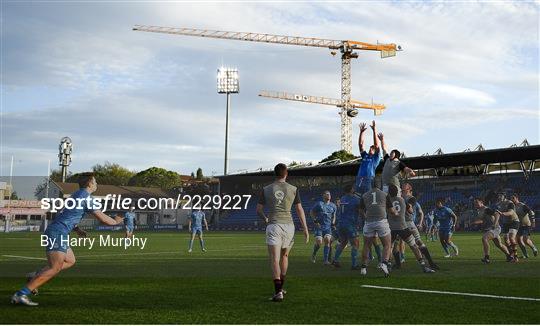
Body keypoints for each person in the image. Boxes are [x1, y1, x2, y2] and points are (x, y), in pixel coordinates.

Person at [11, 173, 124, 306]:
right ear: (89, 184)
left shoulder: (76, 195)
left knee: (70, 261)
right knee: (55, 267)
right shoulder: (87, 198)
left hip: (59, 231)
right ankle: (21, 294)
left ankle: (35, 276)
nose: (96, 184)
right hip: (58, 232)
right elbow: (105, 220)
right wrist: (116, 221)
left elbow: (66, 214)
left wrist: (76, 229)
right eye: (95, 182)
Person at [256, 163, 309, 302]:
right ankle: (281, 288)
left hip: (274, 225)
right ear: (286, 174)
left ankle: (278, 291)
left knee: (274, 259)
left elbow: (258, 209)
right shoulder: (293, 189)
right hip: (289, 226)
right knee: (284, 256)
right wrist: (305, 229)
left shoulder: (266, 189)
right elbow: (299, 209)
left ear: (275, 174)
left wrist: (265, 218)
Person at [387, 184, 434, 273]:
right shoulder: (402, 200)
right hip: (403, 226)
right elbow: (411, 211)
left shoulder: (387, 200)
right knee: (414, 245)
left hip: (392, 227)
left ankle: (388, 265)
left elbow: (388, 211)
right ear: (398, 192)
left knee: (390, 246)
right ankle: (423, 266)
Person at [358, 180, 393, 277]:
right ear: (380, 186)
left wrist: (365, 217)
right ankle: (384, 263)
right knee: (387, 244)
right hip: (381, 221)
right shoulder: (385, 194)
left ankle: (363, 267)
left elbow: (360, 210)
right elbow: (391, 210)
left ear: (371, 186)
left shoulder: (364, 195)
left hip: (369, 222)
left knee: (366, 245)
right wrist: (395, 213)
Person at [400, 184, 439, 270]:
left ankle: (430, 262)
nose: (402, 190)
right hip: (400, 223)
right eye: (402, 189)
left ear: (409, 190)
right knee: (396, 244)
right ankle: (397, 261)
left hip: (409, 223)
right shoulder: (400, 197)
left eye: (404, 189)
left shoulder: (412, 199)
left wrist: (420, 223)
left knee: (417, 242)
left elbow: (412, 210)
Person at [471, 197, 512, 263]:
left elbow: (497, 214)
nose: (475, 204)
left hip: (495, 228)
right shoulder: (480, 211)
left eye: (477, 202)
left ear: (481, 202)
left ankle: (487, 258)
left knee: (484, 238)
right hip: (489, 229)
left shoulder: (486, 209)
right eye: (474, 203)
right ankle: (509, 256)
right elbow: (483, 220)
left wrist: (494, 224)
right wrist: (474, 223)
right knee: (499, 245)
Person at [332, 184, 361, 269]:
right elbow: (361, 208)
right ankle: (354, 265)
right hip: (349, 224)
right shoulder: (355, 199)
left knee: (343, 242)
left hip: (340, 224)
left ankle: (335, 260)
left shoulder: (343, 198)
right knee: (356, 244)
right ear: (351, 189)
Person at [310, 190, 337, 265]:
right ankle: (314, 254)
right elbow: (312, 212)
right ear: (323, 196)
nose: (328, 195)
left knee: (327, 240)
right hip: (319, 227)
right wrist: (315, 220)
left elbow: (334, 215)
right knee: (319, 243)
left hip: (328, 227)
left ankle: (326, 261)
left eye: (329, 194)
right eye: (326, 194)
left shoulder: (333, 206)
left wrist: (333, 222)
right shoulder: (319, 204)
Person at [356, 121, 381, 194]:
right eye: (370, 148)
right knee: (358, 196)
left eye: (372, 149)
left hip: (369, 180)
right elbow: (360, 145)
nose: (370, 149)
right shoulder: (365, 155)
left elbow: (376, 145)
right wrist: (361, 132)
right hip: (360, 179)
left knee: (367, 196)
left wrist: (374, 130)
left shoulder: (376, 157)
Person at [510, 194, 538, 258]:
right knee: (519, 240)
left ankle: (534, 249)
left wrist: (533, 221)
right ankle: (525, 255)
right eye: (511, 198)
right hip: (518, 225)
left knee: (526, 240)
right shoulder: (512, 206)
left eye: (513, 198)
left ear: (517, 198)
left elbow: (531, 212)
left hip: (526, 224)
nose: (512, 199)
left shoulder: (522, 205)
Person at [494, 192, 519, 261]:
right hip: (506, 223)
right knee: (506, 240)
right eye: (498, 195)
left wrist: (502, 213)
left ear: (504, 196)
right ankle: (511, 255)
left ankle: (516, 256)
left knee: (511, 238)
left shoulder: (510, 203)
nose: (499, 197)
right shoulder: (498, 204)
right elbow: (497, 214)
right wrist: (495, 223)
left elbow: (511, 212)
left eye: (501, 195)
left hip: (514, 221)